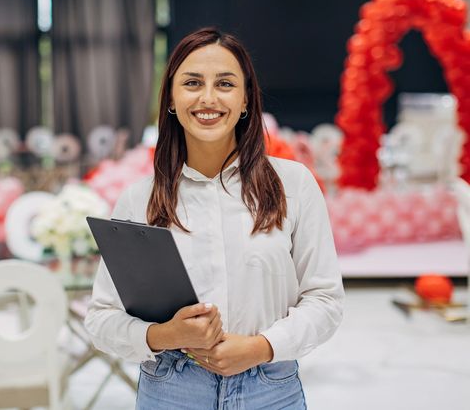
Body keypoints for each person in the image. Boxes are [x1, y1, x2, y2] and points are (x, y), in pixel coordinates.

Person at [85, 27, 344, 409]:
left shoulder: (294, 184)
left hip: (270, 389)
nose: (208, 98)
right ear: (172, 99)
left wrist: (260, 347)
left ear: (245, 100)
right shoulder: (139, 199)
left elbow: (325, 300)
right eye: (192, 83)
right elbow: (101, 319)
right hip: (171, 389)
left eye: (225, 83)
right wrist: (163, 335)